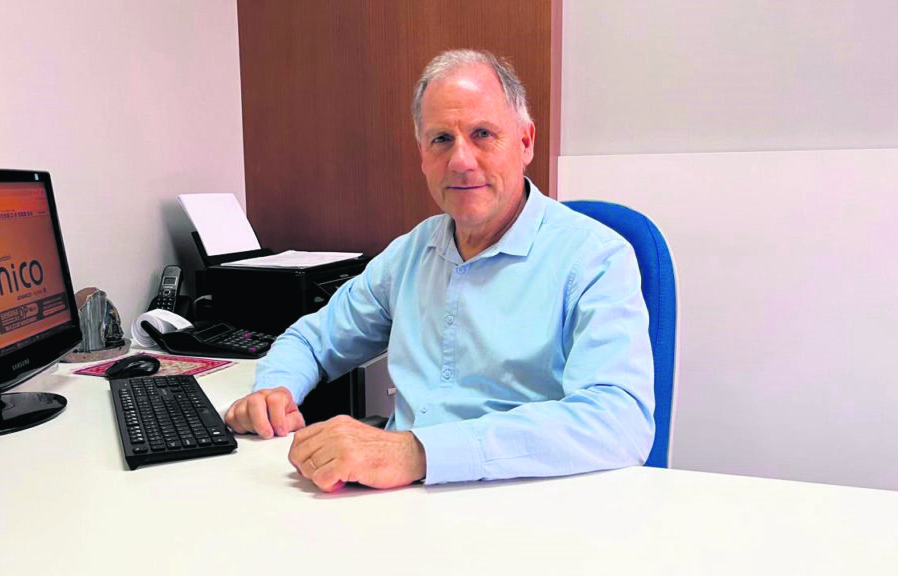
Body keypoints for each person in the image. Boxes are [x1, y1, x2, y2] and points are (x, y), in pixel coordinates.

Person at [225, 49, 655, 492]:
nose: (461, 161)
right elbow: (312, 341)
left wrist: (418, 452)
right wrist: (275, 390)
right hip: (399, 503)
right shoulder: (409, 254)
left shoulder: (595, 258)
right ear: (422, 155)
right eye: (441, 140)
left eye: (483, 134)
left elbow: (619, 421)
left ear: (526, 142)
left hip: (520, 504)